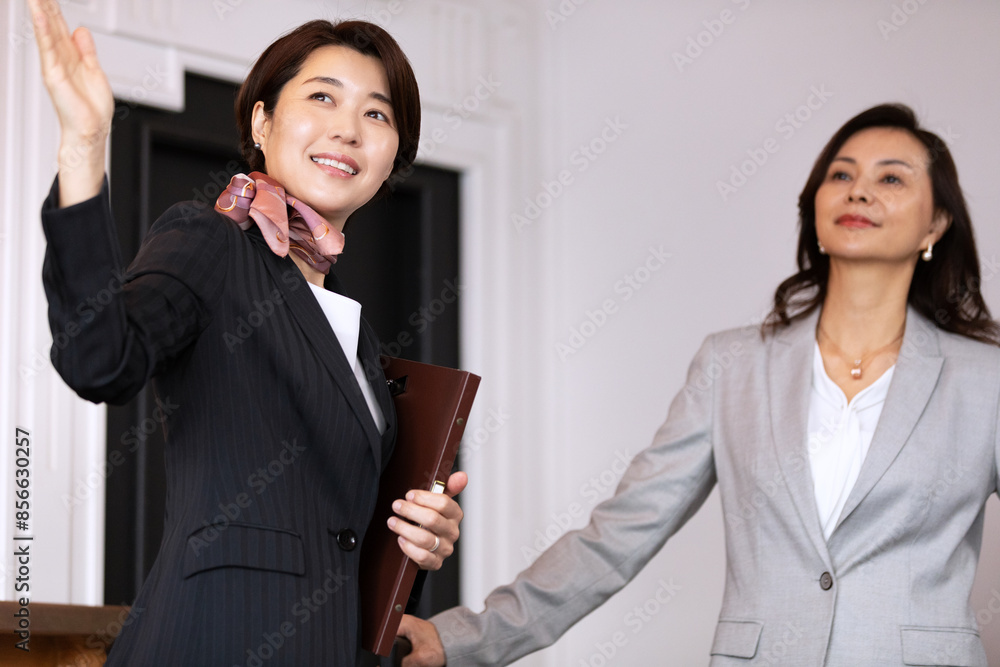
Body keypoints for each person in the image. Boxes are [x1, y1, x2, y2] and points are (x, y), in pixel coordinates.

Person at [397, 104, 1000, 666]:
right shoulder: (732, 366)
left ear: (935, 224)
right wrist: (467, 636)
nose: (859, 190)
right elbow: (620, 534)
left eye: (891, 178)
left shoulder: (985, 382)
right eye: (840, 175)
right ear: (815, 209)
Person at [29, 1, 466, 664]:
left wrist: (416, 540)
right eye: (323, 97)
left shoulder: (357, 337)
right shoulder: (211, 242)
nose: (348, 128)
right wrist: (84, 145)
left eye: (377, 114)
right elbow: (98, 357)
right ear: (262, 122)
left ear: (391, 160)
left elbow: (339, 537)